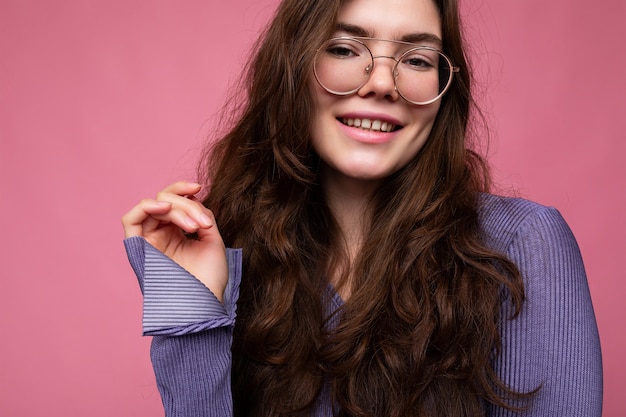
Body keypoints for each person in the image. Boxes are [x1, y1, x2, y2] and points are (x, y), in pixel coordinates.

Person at [121, 0, 603, 415]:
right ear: (292, 65)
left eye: (417, 59)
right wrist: (189, 306)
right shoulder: (231, 249)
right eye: (345, 49)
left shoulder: (523, 243)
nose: (382, 84)